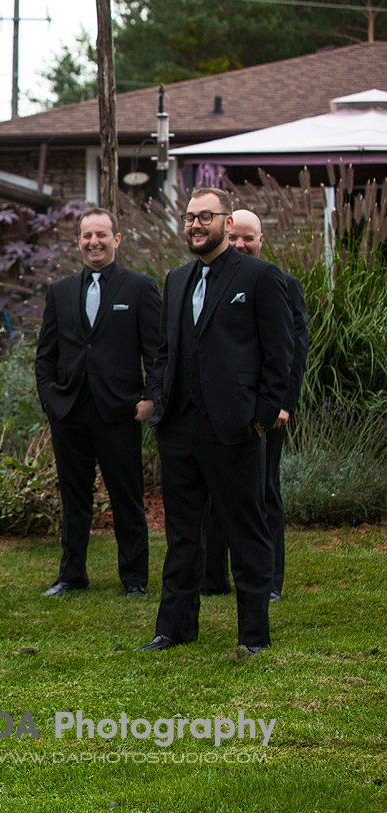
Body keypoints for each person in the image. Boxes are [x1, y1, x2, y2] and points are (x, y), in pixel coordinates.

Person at [140, 188, 293, 654]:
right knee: (183, 535)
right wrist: (159, 401)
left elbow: (279, 356)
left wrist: (261, 420)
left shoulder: (261, 277)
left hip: (235, 428)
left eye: (205, 216)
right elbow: (166, 350)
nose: (194, 225)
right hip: (179, 430)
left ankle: (254, 636)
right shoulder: (176, 278)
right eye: (189, 217)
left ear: (227, 223)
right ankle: (175, 628)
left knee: (246, 532)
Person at [35, 207, 161, 598]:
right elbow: (46, 355)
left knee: (126, 495)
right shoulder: (60, 291)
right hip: (69, 411)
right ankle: (72, 575)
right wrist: (51, 399)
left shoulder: (140, 288)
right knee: (74, 497)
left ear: (117, 239)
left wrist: (151, 397)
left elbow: (157, 352)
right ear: (79, 242)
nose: (94, 242)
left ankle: (135, 578)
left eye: (102, 235)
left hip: (118, 410)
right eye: (87, 235)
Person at [201, 209, 309, 601]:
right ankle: (212, 579)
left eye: (250, 237)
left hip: (265, 412)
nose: (242, 244)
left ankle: (269, 582)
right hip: (216, 411)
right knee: (213, 494)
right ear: (226, 235)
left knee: (264, 493)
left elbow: (293, 348)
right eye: (236, 237)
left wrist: (282, 403)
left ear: (261, 240)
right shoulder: (209, 281)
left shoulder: (281, 282)